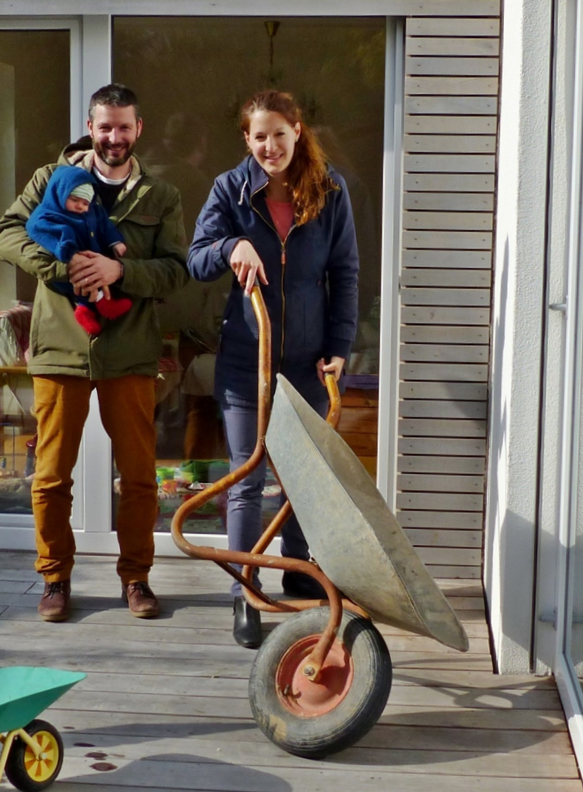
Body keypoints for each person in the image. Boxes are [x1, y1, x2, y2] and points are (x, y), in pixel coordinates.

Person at [0, 83, 189, 622]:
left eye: (125, 126)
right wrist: (65, 268)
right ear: (91, 125)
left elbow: (177, 269)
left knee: (140, 476)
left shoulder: (160, 195)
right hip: (60, 347)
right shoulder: (48, 179)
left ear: (138, 129)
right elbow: (5, 234)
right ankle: (54, 578)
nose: (115, 137)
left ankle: (137, 577)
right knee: (52, 475)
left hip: (130, 351)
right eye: (106, 126)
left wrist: (119, 270)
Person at [187, 90, 359, 649]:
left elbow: (346, 274)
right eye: (258, 136)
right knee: (246, 479)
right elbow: (196, 258)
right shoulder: (229, 190)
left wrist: (338, 344)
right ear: (247, 139)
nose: (269, 146)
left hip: (306, 364)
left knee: (301, 478)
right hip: (245, 361)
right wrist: (232, 243)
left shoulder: (329, 191)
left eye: (279, 134)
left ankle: (296, 571)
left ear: (298, 131)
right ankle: (244, 590)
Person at [26, 164, 132, 335]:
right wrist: (69, 254)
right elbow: (38, 230)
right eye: (75, 201)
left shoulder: (92, 211)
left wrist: (115, 242)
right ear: (61, 194)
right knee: (83, 282)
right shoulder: (47, 215)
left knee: (95, 278)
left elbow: (105, 226)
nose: (81, 207)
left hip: (93, 258)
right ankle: (94, 306)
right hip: (66, 263)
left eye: (85, 203)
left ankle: (88, 308)